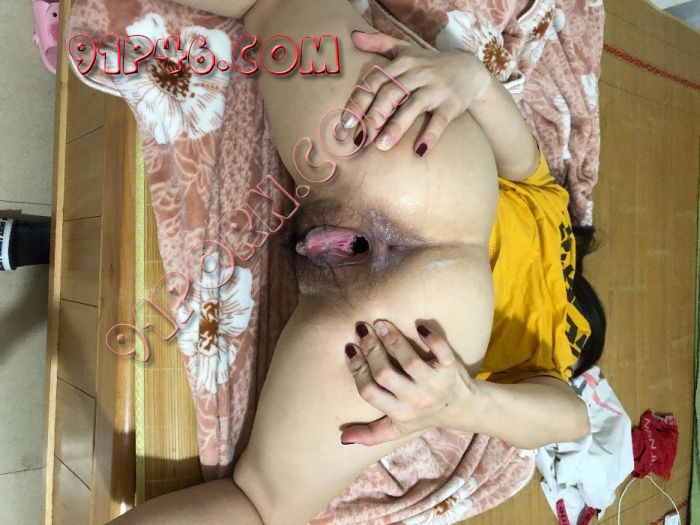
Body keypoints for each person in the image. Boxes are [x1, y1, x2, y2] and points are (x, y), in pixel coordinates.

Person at [111, 0, 603, 522]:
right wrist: (462, 404)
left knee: (271, 4)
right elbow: (572, 420)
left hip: (430, 169)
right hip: (410, 334)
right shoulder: (556, 355)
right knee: (260, 506)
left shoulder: (554, 211)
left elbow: (512, 143)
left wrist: (472, 79)